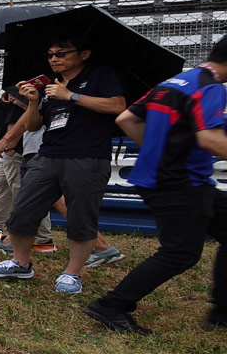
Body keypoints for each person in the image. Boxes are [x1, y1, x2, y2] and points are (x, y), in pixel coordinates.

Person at [84, 36, 227, 333]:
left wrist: (157, 151)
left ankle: (222, 312)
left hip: (170, 177)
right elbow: (209, 138)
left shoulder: (177, 81)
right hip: (180, 181)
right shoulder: (210, 87)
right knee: (180, 253)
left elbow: (126, 119)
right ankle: (112, 305)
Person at [0, 35, 128, 293]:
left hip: (87, 155)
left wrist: (71, 96)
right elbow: (33, 125)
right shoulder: (50, 84)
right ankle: (20, 262)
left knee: (81, 214)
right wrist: (33, 102)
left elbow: (118, 105)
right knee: (24, 208)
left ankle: (72, 274)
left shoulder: (100, 75)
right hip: (48, 153)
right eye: (50, 54)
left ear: (83, 54)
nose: (54, 59)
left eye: (61, 53)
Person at [0, 91, 54, 250]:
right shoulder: (16, 96)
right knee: (2, 185)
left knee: (26, 193)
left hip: (16, 150)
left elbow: (24, 119)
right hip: (11, 150)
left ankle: (42, 238)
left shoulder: (33, 95)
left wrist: (10, 145)